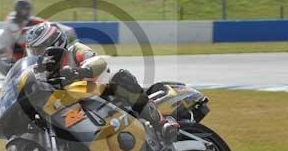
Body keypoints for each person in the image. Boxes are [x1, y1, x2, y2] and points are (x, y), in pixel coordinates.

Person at [25, 22, 177, 143]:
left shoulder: (74, 49)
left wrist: (80, 71)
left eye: (40, 50)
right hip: (73, 106)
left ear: (55, 43)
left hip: (102, 95)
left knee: (122, 78)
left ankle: (162, 124)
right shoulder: (42, 70)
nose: (38, 55)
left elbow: (97, 61)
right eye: (34, 51)